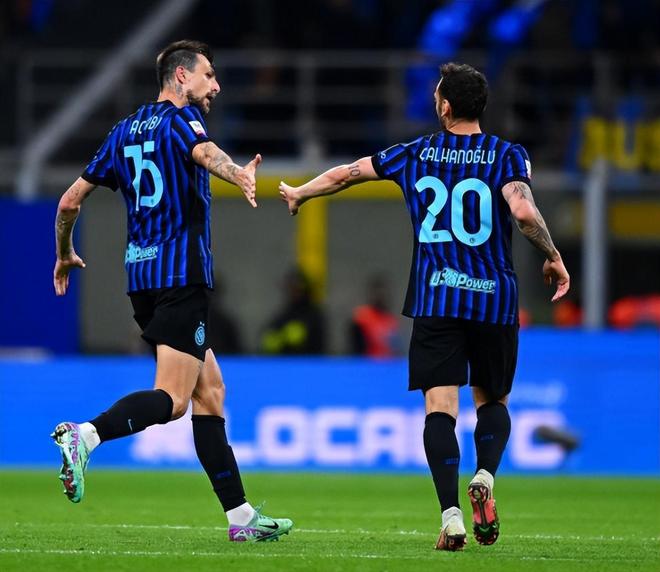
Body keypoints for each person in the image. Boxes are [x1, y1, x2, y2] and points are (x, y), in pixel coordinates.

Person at [279, 62, 569, 551]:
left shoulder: (415, 153)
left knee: (440, 408)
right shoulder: (507, 155)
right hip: (493, 300)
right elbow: (522, 212)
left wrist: (301, 192)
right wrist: (553, 256)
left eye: (437, 97)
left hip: (437, 298)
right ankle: (485, 476)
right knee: (492, 401)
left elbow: (348, 174)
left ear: (446, 106)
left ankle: (451, 517)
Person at [52, 40, 292, 542]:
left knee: (211, 390)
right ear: (181, 77)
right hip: (181, 278)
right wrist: (238, 174)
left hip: (141, 280)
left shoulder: (122, 131)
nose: (215, 86)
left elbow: (70, 200)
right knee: (176, 399)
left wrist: (64, 252)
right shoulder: (182, 120)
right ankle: (86, 435)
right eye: (209, 74)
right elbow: (204, 152)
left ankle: (241, 517)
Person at [260, 267, 326, 355]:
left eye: (297, 288)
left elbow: (321, 347)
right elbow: (269, 335)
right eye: (290, 288)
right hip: (285, 361)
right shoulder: (284, 313)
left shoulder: (315, 315)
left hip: (308, 360)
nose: (293, 292)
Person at [349, 273, 402, 357]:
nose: (381, 297)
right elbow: (355, 346)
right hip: (367, 362)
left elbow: (395, 348)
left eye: (383, 294)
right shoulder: (362, 317)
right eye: (377, 294)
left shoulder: (391, 321)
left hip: (387, 362)